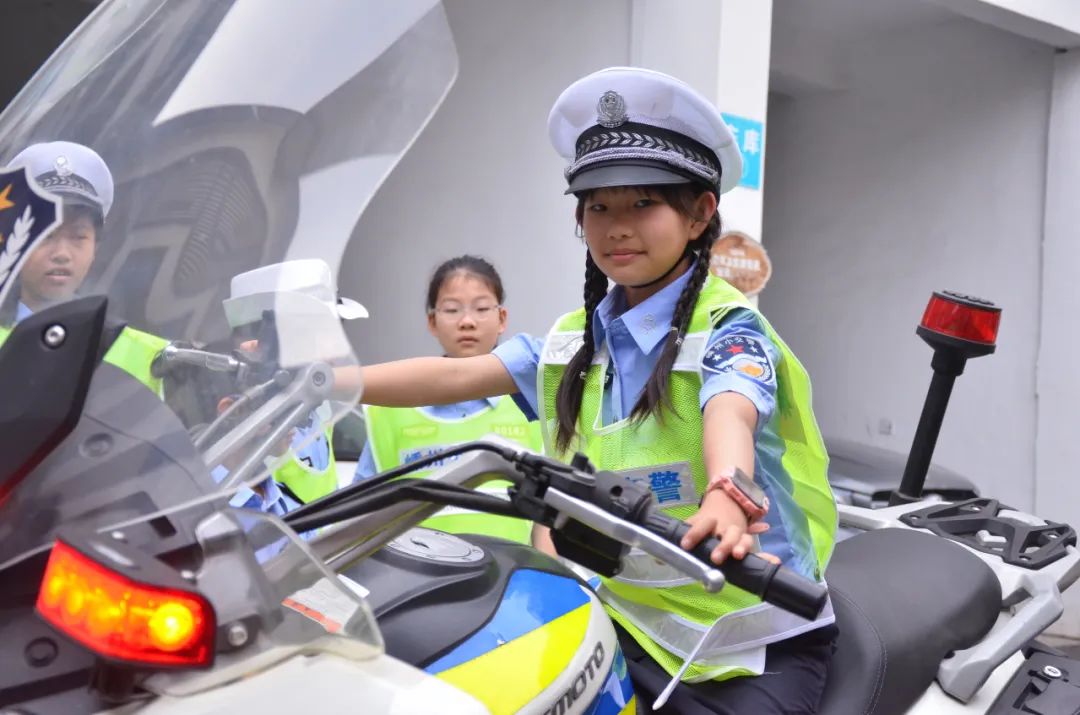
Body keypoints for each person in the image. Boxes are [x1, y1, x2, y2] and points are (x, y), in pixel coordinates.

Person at [350, 67, 838, 713]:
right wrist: (321, 380)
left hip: (751, 638)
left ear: (700, 213)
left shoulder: (729, 328)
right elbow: (454, 374)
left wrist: (728, 494)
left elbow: (732, 410)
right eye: (598, 206)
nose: (616, 227)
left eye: (643, 204)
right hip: (631, 618)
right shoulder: (572, 342)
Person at [353, 255, 542, 543]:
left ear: (502, 318)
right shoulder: (387, 414)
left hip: (517, 571)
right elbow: (362, 518)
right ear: (432, 321)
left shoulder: (532, 405)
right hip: (419, 572)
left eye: (481, 308)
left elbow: (547, 521)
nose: (467, 322)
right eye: (452, 310)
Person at [0, 141, 167, 394]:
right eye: (46, 235)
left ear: (95, 248)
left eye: (78, 237)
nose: (62, 254)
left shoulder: (152, 358)